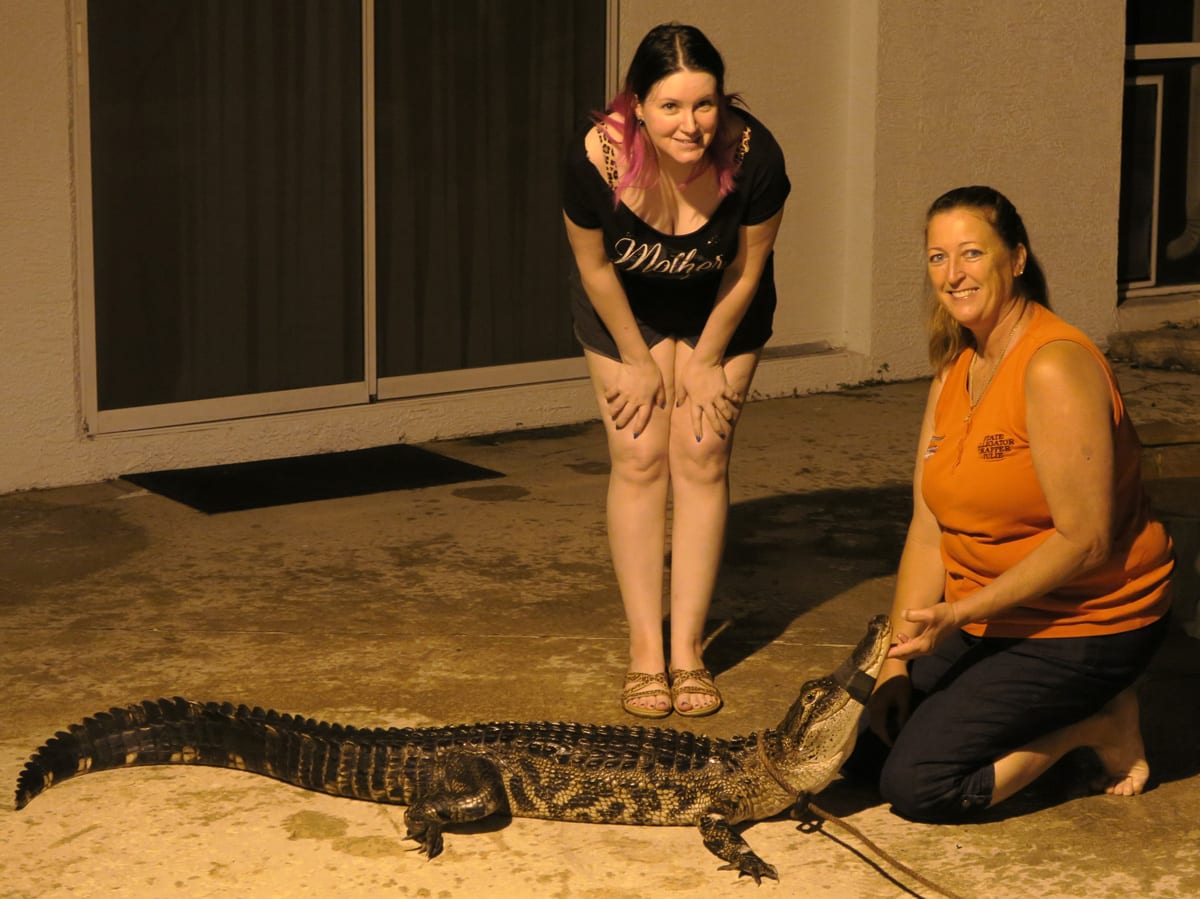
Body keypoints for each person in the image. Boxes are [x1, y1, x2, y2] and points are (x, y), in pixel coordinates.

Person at [858, 185, 1175, 821]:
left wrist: (960, 612)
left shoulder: (1054, 366)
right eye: (937, 258)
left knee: (919, 785)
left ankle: (1095, 725)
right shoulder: (956, 369)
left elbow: (1085, 540)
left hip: (1084, 621)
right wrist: (895, 656)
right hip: (988, 612)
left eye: (972, 253)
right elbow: (928, 526)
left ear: (1018, 259)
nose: (953, 274)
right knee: (859, 747)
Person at [561, 23, 789, 718]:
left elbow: (748, 269)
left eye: (705, 104)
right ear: (636, 107)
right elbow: (594, 266)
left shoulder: (755, 156)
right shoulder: (596, 158)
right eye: (670, 107)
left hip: (722, 302)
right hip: (625, 306)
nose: (690, 125)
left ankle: (687, 650)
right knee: (638, 456)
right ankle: (644, 651)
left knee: (702, 451)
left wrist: (710, 358)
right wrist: (635, 357)